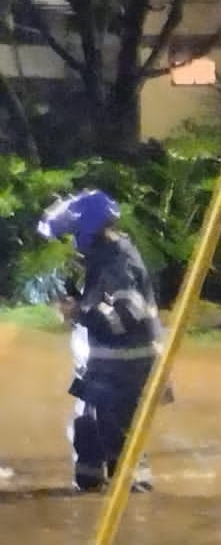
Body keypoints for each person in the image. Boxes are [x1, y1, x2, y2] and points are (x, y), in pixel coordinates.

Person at [37, 190, 162, 494]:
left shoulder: (118, 262)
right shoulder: (102, 257)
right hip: (103, 368)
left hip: (125, 370)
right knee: (86, 433)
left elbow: (125, 316)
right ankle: (89, 493)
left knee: (119, 442)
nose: (69, 244)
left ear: (85, 231)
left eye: (71, 235)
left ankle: (131, 510)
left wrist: (79, 312)